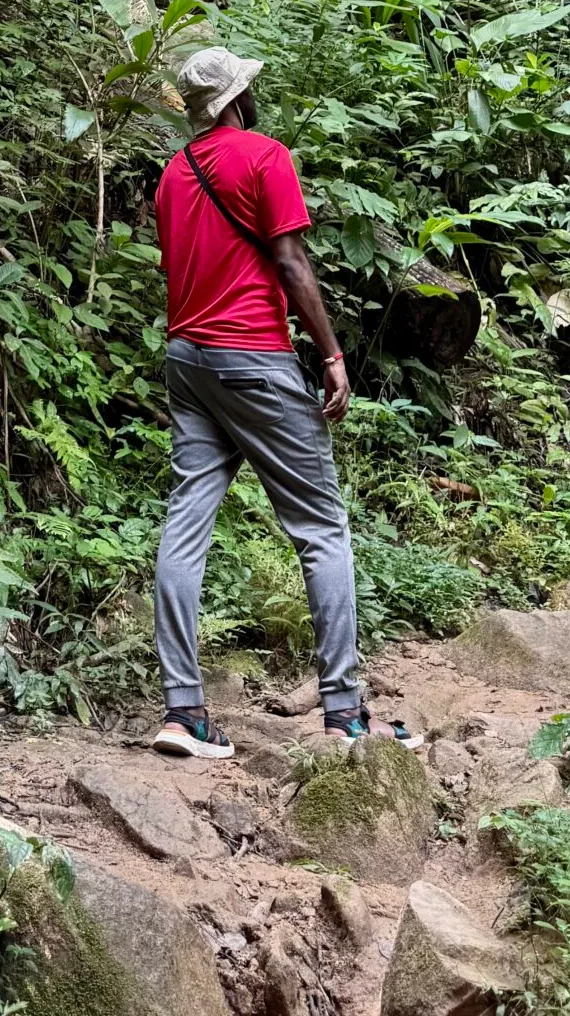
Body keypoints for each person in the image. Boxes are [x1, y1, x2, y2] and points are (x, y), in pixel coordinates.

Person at [149, 45, 413, 759]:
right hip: (254, 359)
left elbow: (181, 268)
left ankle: (182, 712)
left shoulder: (173, 174)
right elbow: (291, 263)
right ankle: (345, 712)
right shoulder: (265, 156)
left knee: (186, 524)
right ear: (238, 97)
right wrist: (332, 355)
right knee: (321, 529)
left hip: (188, 360)